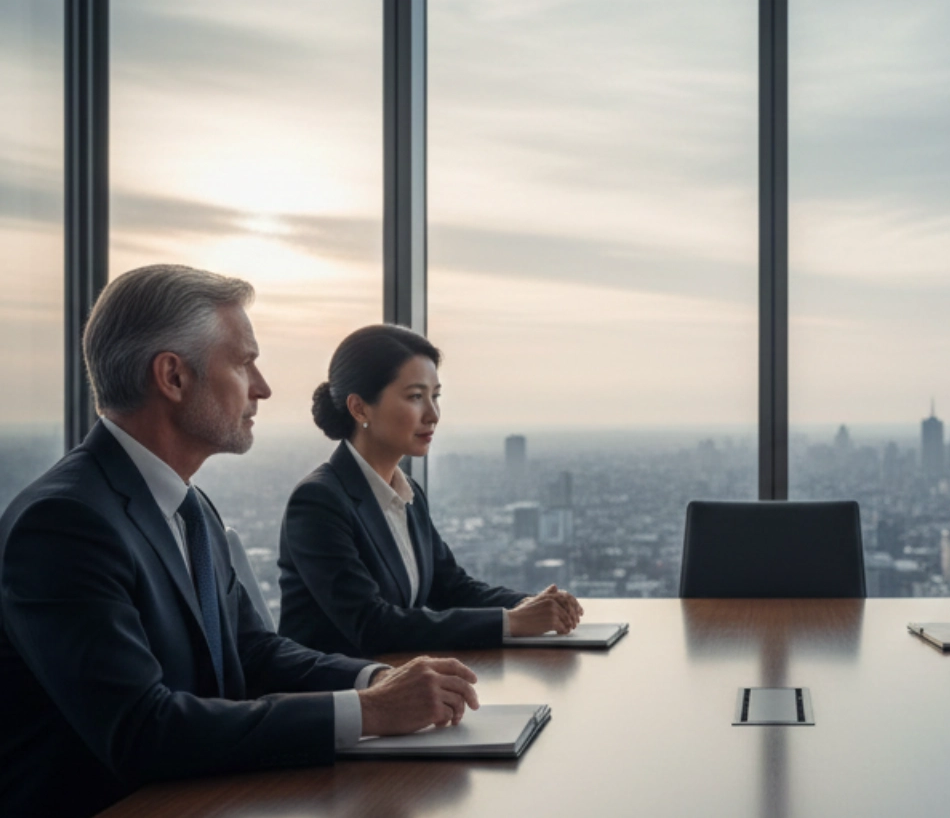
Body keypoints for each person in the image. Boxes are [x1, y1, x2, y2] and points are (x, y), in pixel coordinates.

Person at [0, 265, 482, 818]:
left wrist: (376, 678)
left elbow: (251, 651)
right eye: (244, 362)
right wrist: (367, 712)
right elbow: (141, 731)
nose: (263, 387)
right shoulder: (64, 523)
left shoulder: (188, 505)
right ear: (173, 377)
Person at [278, 324, 582, 658]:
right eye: (415, 397)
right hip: (334, 698)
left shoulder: (407, 494)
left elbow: (451, 587)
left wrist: (533, 604)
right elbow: (371, 624)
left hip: (400, 683)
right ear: (360, 408)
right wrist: (511, 621)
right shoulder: (319, 502)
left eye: (434, 396)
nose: (433, 414)